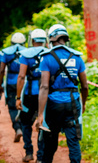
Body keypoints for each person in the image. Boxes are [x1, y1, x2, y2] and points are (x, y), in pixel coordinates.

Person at [35, 24, 89, 163]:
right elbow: (85, 86)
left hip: (54, 106)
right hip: (73, 104)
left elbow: (44, 87)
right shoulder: (77, 57)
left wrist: (40, 114)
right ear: (65, 38)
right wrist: (82, 104)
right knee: (73, 143)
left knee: (50, 143)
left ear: (51, 39)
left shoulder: (47, 57)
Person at [16, 29, 48, 163]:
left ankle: (29, 152)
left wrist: (18, 97)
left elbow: (21, 76)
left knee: (25, 122)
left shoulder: (25, 55)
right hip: (44, 96)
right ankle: (40, 156)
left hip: (29, 95)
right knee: (42, 122)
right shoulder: (49, 54)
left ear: (32, 40)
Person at [0, 32, 27, 142]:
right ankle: (24, 127)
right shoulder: (27, 52)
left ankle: (17, 128)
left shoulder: (6, 52)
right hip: (23, 83)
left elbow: (1, 70)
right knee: (23, 105)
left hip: (10, 83)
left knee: (12, 107)